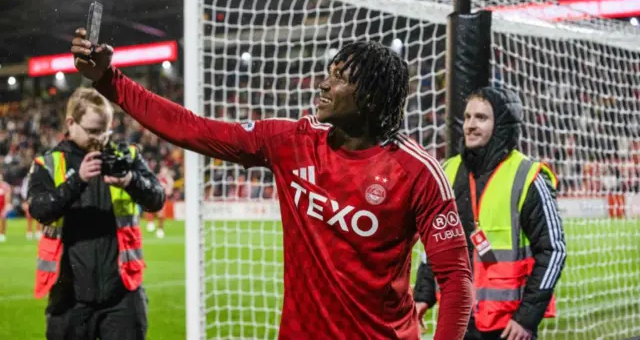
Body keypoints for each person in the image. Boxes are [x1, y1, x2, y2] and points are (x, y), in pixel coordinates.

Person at [71, 28, 473, 339]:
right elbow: (191, 129)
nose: (324, 85)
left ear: (369, 97)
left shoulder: (418, 171)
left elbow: (456, 278)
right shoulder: (290, 143)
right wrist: (109, 81)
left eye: (339, 78)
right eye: (328, 74)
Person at [412, 87, 567, 340]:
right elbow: (436, 245)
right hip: (457, 319)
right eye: (468, 117)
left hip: (508, 327)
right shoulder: (447, 171)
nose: (471, 125)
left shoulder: (528, 177)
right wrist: (422, 296)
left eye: (481, 118)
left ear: (502, 125)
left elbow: (553, 251)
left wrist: (526, 319)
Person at [27, 87, 166, 340]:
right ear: (71, 123)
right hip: (69, 299)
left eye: (105, 130)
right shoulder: (48, 163)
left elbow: (157, 199)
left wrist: (131, 180)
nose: (100, 138)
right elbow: (39, 210)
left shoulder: (126, 155)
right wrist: (76, 180)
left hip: (122, 294)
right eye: (93, 131)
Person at [145, 165, 174, 238]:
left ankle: (160, 230)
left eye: (165, 171)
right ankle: (150, 222)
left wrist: (166, 188)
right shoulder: (156, 177)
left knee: (161, 214)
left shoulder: (169, 180)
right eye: (162, 171)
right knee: (150, 209)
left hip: (162, 198)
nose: (163, 173)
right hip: (154, 197)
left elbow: (169, 192)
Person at [21, 173, 42, 240]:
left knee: (39, 215)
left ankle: (38, 231)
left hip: (38, 198)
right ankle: (29, 231)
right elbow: (23, 190)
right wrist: (25, 200)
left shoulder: (39, 179)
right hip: (29, 199)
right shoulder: (26, 179)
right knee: (29, 216)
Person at [0, 172, 11, 243]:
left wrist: (7, 204)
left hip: (3, 205)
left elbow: (8, 195)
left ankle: (2, 234)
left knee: (3, 220)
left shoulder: (5, 185)